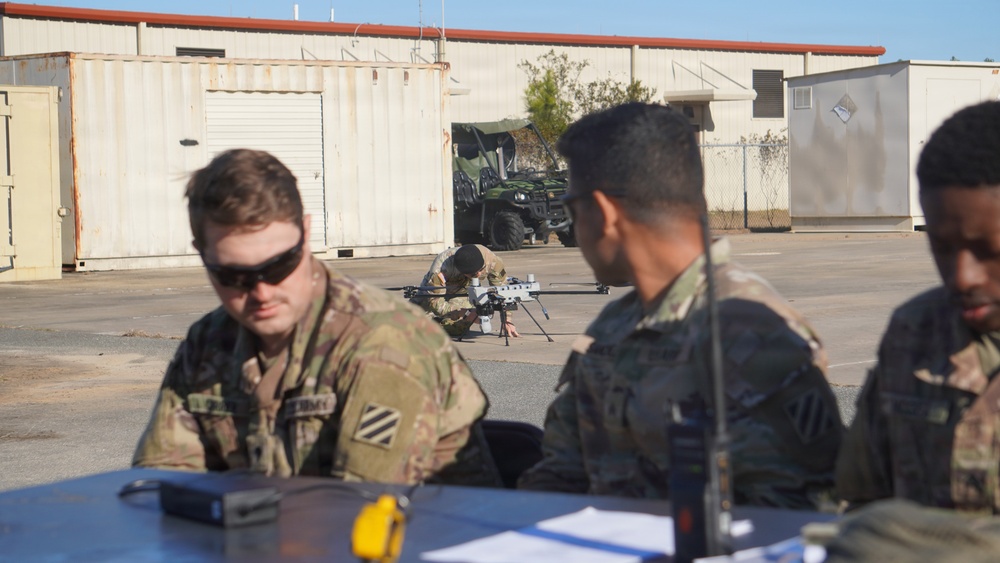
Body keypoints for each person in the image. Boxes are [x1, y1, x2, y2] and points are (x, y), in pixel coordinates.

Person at [517, 102, 843, 509]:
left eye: (572, 209)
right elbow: (561, 471)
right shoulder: (615, 324)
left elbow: (801, 520)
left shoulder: (754, 337)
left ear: (603, 212)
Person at [132, 148, 500, 487]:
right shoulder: (207, 342)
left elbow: (357, 511)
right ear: (202, 254)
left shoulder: (383, 340)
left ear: (305, 234)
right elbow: (157, 486)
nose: (261, 293)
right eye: (232, 275)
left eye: (279, 265)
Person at [837, 100, 1000, 512]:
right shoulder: (915, 331)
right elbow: (864, 504)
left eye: (987, 249)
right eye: (942, 247)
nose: (962, 277)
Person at [414, 244, 520, 338]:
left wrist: (507, 320)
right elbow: (436, 303)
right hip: (432, 294)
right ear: (462, 271)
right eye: (473, 274)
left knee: (459, 328)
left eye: (481, 269)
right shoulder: (442, 267)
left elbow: (504, 292)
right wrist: (464, 313)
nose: (479, 274)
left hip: (462, 295)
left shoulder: (492, 261)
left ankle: (438, 325)